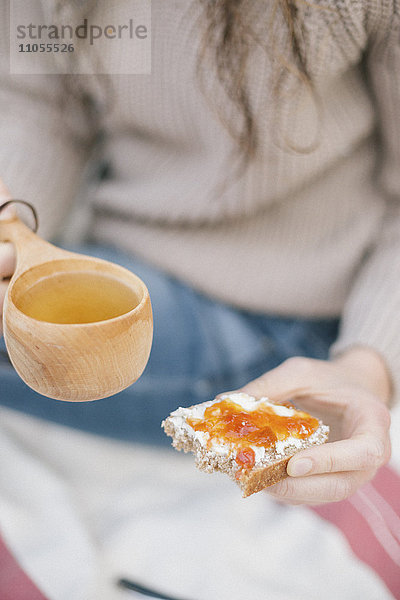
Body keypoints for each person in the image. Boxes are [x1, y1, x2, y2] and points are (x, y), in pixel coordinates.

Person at [0, 0, 398, 508]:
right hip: (116, 252)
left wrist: (368, 368)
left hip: (280, 318)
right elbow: (42, 100)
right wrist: (11, 230)